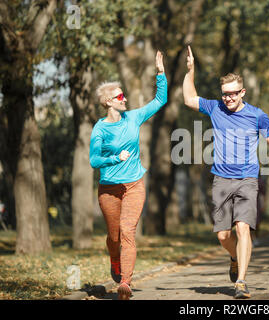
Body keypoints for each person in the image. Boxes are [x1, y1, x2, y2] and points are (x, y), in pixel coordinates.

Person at [182, 46, 269, 299]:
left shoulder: (257, 115)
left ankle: (241, 282)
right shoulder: (215, 108)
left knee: (243, 228)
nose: (228, 98)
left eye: (233, 94)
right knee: (223, 235)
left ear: (242, 92)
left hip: (247, 179)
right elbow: (189, 99)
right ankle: (233, 256)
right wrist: (190, 71)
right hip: (221, 179)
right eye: (225, 94)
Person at [89, 51, 167, 300]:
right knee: (114, 237)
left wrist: (161, 73)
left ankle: (126, 282)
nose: (124, 99)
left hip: (134, 184)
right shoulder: (100, 129)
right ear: (108, 102)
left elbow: (159, 100)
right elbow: (94, 160)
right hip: (109, 189)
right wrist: (114, 158)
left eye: (123, 95)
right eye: (119, 96)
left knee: (127, 232)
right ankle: (114, 259)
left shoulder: (133, 118)